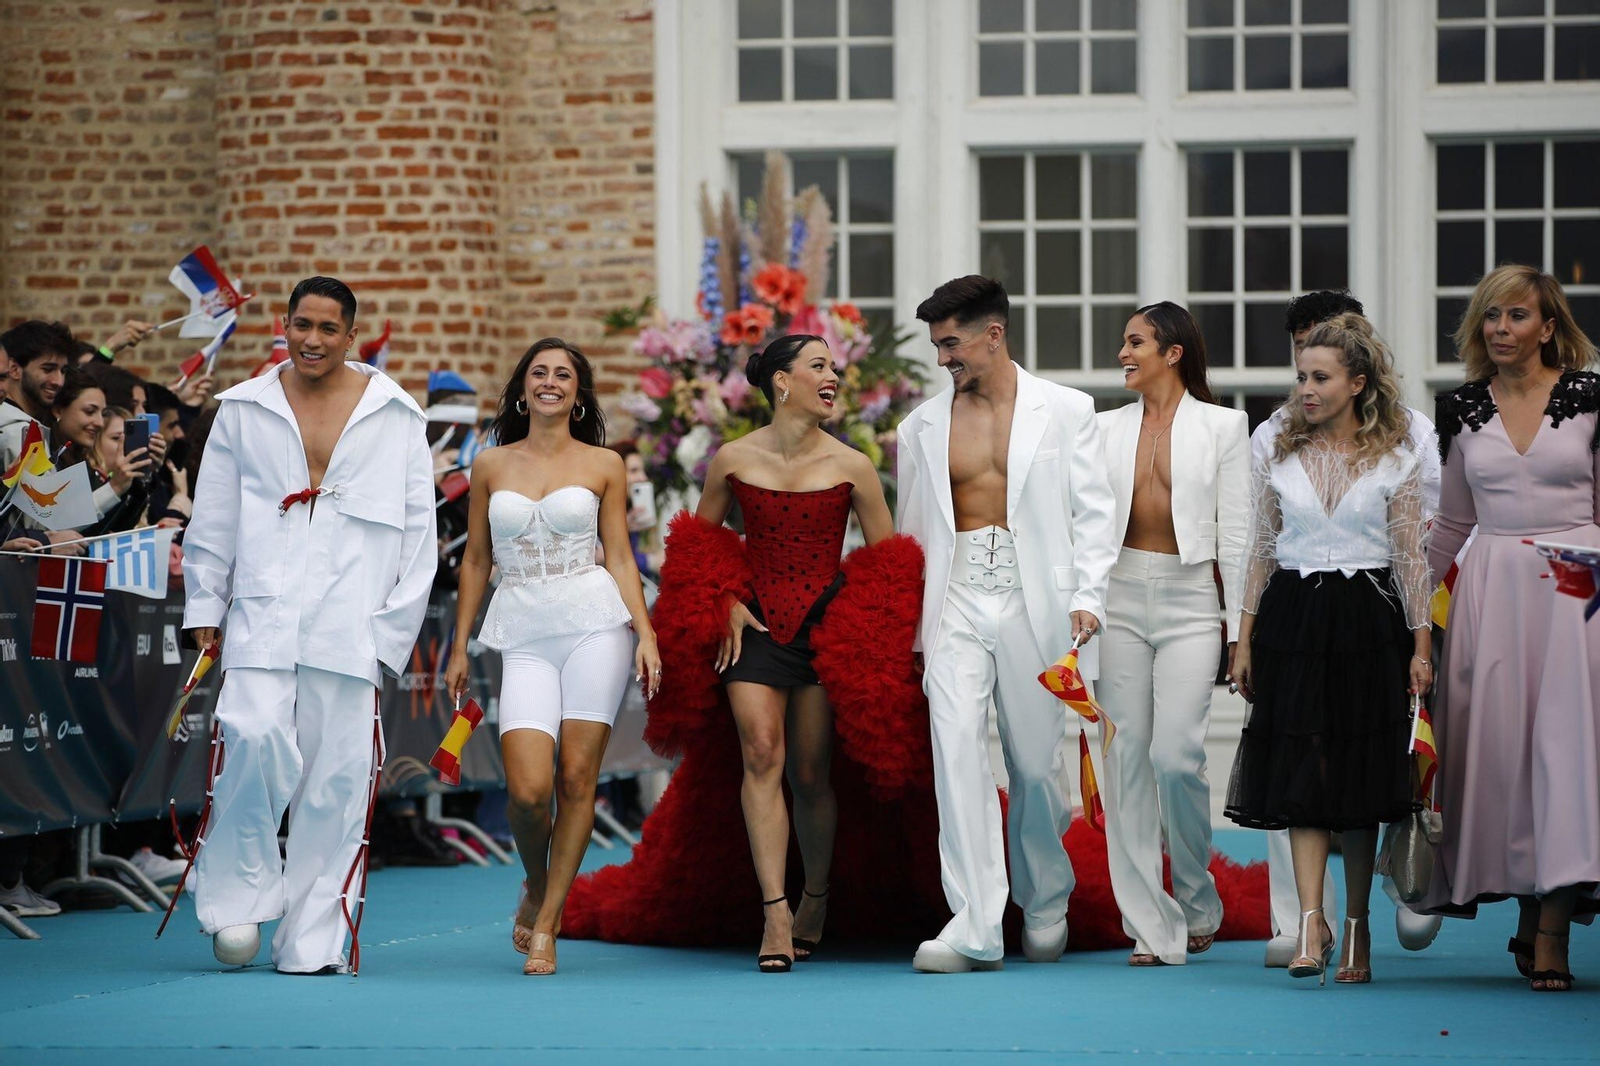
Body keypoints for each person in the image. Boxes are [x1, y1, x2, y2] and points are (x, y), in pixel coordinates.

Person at [182, 276, 437, 974]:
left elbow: (421, 533)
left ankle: (313, 939)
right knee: (251, 738)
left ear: (350, 335)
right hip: (263, 608)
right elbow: (215, 514)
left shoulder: (395, 414)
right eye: (302, 325)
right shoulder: (243, 408)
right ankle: (235, 905)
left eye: (328, 328)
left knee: (337, 778)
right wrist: (206, 604)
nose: (313, 340)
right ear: (284, 327)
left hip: (351, 620)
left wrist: (389, 632)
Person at [898, 275, 1118, 973]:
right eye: (936, 346)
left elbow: (1094, 512)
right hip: (956, 598)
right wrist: (911, 634)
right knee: (955, 752)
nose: (943, 360)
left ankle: (1045, 897)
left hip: (1038, 603)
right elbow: (911, 532)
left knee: (1033, 760)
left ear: (994, 334)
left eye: (951, 343)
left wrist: (1089, 595)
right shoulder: (920, 426)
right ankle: (974, 923)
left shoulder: (1068, 409)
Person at [1226, 314, 1434, 985]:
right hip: (1292, 617)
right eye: (1301, 376)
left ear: (1358, 382)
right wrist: (1244, 639)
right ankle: (1310, 923)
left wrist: (1421, 646)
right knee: (1300, 771)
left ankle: (1356, 926)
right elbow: (1259, 551)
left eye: (1320, 377)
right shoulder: (1278, 451)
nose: (1306, 388)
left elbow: (1411, 559)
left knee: (1358, 777)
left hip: (1368, 622)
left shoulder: (1398, 455)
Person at [444, 337, 660, 977]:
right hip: (523, 630)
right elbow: (477, 561)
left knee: (576, 778)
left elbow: (620, 555)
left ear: (577, 392)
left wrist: (645, 632)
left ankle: (547, 922)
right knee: (529, 791)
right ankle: (536, 883)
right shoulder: (490, 465)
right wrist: (459, 643)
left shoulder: (604, 464)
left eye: (563, 374)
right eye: (539, 372)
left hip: (595, 623)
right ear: (521, 388)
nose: (550, 382)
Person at [684, 334, 898, 973]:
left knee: (810, 772)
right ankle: (774, 910)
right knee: (762, 751)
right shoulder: (731, 458)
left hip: (827, 633)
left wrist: (865, 639)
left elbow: (890, 567)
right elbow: (697, 548)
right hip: (753, 628)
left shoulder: (853, 465)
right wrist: (722, 600)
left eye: (835, 366)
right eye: (820, 366)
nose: (834, 375)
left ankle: (816, 897)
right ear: (782, 381)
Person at [1423, 264, 1600, 993]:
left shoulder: (1593, 400)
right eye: (1491, 317)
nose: (1501, 329)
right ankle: (1529, 908)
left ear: (1549, 326)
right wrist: (1404, 609)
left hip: (1578, 590)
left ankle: (1553, 928)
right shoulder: (1461, 408)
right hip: (1491, 596)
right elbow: (1452, 524)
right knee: (1502, 760)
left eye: (1517, 316)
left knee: (1567, 758)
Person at [1095, 302, 1249, 966]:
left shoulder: (1224, 426)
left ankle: (1195, 898)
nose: (1123, 353)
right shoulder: (1101, 430)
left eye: (1135, 343)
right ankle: (1149, 921)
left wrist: (1243, 630)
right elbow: (1081, 524)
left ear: (1173, 352)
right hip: (1118, 597)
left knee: (1177, 756)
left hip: (1192, 603)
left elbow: (1239, 534)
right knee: (1125, 760)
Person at [52, 374, 151, 534]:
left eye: (102, 413)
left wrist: (139, 480)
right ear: (58, 410)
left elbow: (113, 528)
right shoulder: (43, 452)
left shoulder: (78, 460)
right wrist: (115, 486)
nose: (99, 422)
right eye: (90, 411)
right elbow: (53, 525)